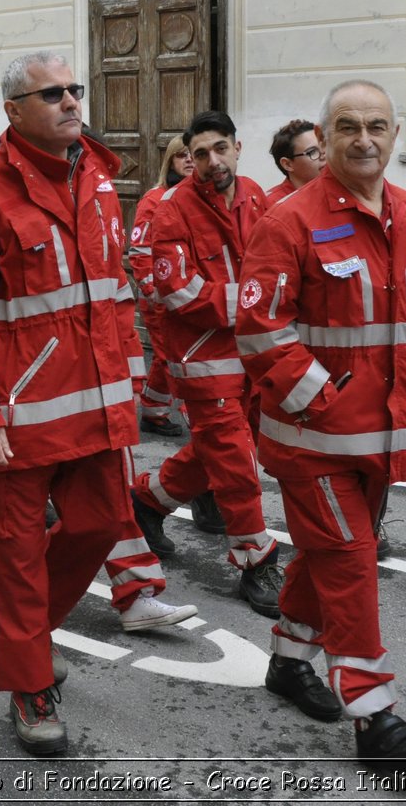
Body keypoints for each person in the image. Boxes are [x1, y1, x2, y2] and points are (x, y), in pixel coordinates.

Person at [0, 51, 165, 756]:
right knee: (17, 556)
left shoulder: (94, 177)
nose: (69, 101)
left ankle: (26, 637)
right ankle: (29, 682)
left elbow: (113, 294)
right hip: (18, 418)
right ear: (14, 111)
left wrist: (132, 383)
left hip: (92, 410)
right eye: (50, 92)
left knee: (97, 527)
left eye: (73, 89)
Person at [235, 79, 406, 771]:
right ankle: (373, 713)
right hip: (315, 440)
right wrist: (322, 398)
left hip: (385, 436)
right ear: (323, 139)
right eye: (349, 126)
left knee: (326, 554)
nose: (365, 139)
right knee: (352, 561)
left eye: (378, 126)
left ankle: (289, 661)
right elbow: (260, 326)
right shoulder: (289, 220)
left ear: (395, 134)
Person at [128, 111, 283, 617]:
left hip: (254, 348)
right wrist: (257, 302)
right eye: (200, 154)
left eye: (220, 149)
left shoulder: (256, 196)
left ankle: (147, 499)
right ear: (188, 159)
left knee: (228, 446)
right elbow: (180, 292)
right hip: (201, 355)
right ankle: (255, 560)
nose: (212, 161)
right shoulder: (171, 210)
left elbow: (276, 266)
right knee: (236, 458)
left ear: (238, 147)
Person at [128, 135, 193, 439]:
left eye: (194, 155)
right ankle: (196, 419)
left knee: (166, 356)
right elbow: (140, 249)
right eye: (183, 156)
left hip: (187, 295)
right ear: (171, 160)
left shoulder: (195, 196)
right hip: (160, 298)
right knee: (175, 359)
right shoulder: (155, 199)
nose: (190, 160)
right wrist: (153, 291)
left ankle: (153, 411)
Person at [264, 118, 324, 206]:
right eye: (312, 152)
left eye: (324, 145)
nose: (324, 154)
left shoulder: (338, 191)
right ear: (287, 164)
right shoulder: (270, 206)